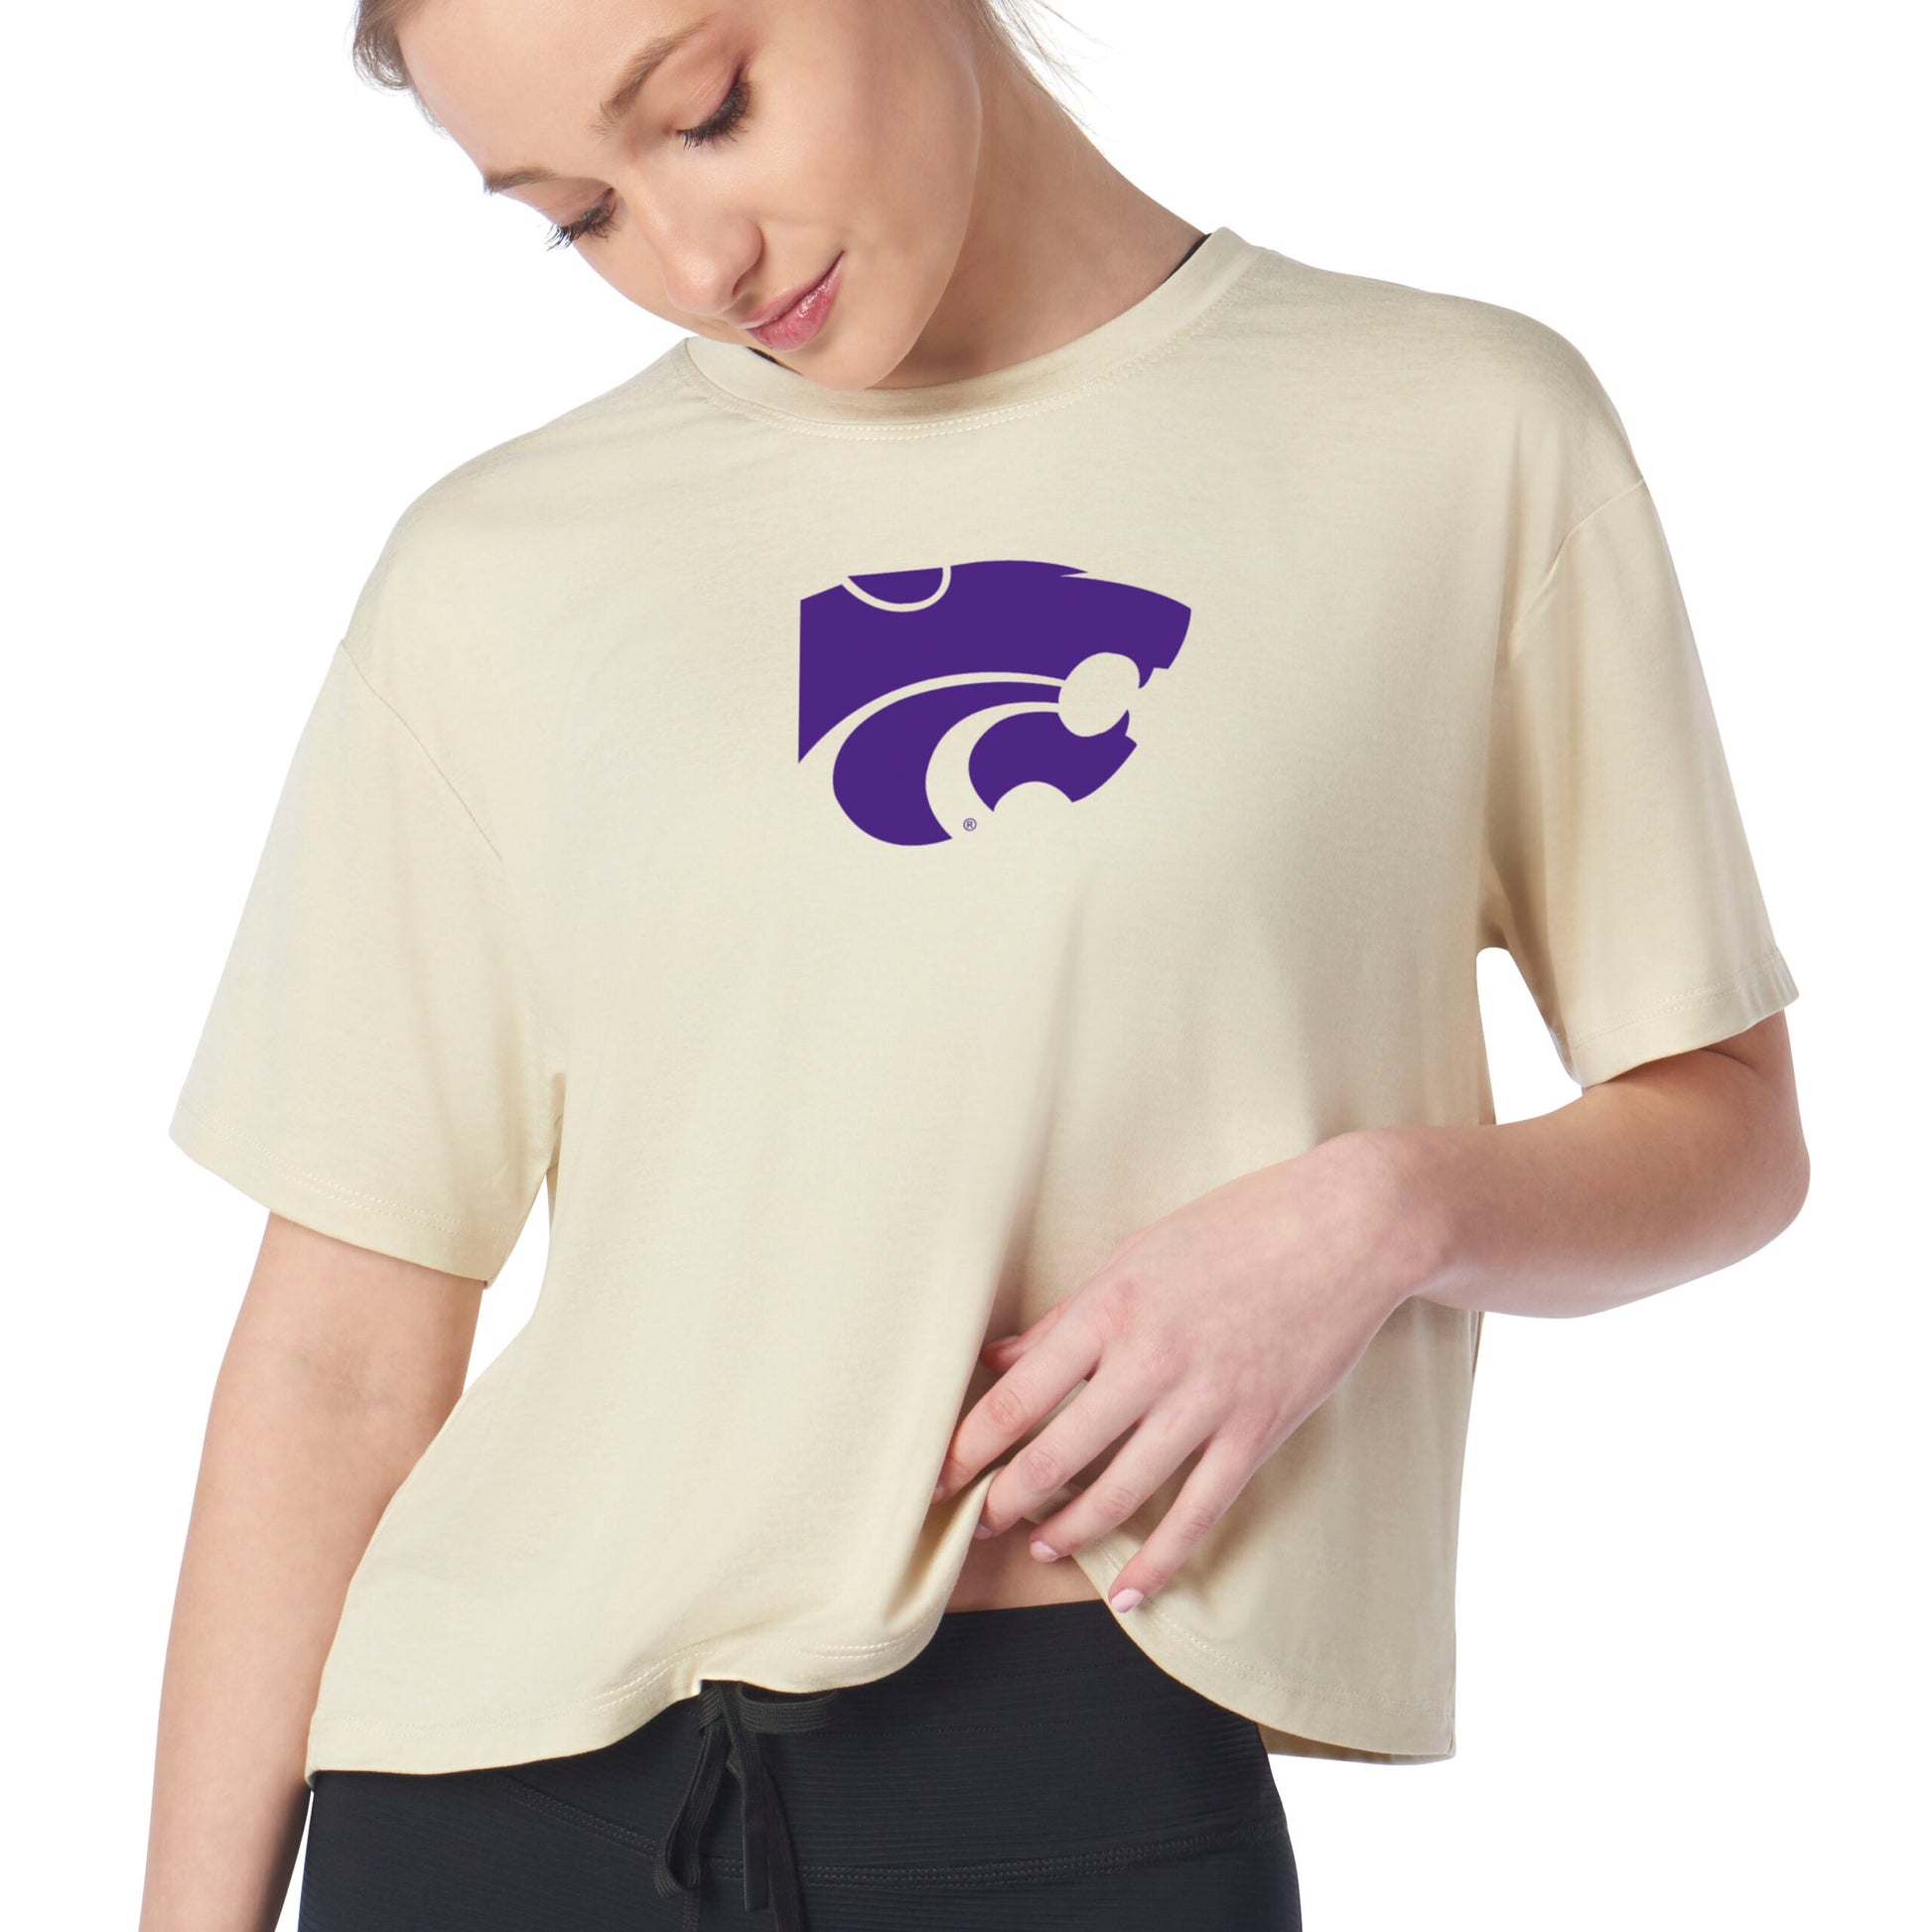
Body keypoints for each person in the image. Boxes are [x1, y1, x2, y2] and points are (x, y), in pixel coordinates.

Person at [137, 2, 1811, 1928]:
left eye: (708, 111)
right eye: (573, 214)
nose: (692, 258)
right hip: (491, 1804)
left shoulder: (1455, 431)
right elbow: (340, 1358)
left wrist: (1384, 1211)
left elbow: (1726, 1128)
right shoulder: (494, 570)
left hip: (1082, 1775)